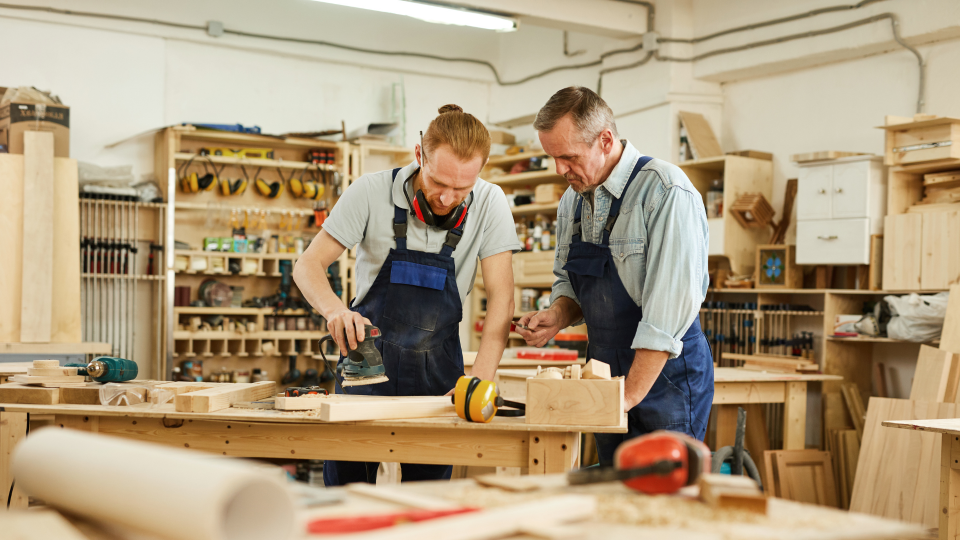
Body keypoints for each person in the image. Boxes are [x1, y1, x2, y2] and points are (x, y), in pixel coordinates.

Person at [293, 104, 521, 484]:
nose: (448, 198)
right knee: (350, 497)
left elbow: (502, 297)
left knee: (428, 499)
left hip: (439, 376)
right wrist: (335, 311)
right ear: (419, 156)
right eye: (438, 183)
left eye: (462, 188)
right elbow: (308, 266)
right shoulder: (370, 191)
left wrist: (482, 376)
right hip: (367, 365)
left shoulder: (490, 201)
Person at [516, 87, 713, 466]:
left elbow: (667, 313)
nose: (559, 169)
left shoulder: (665, 191)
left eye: (568, 156)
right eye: (552, 157)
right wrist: (557, 314)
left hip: (666, 375)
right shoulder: (571, 201)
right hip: (604, 371)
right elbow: (570, 281)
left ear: (605, 140)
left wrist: (627, 397)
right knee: (614, 488)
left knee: (664, 495)